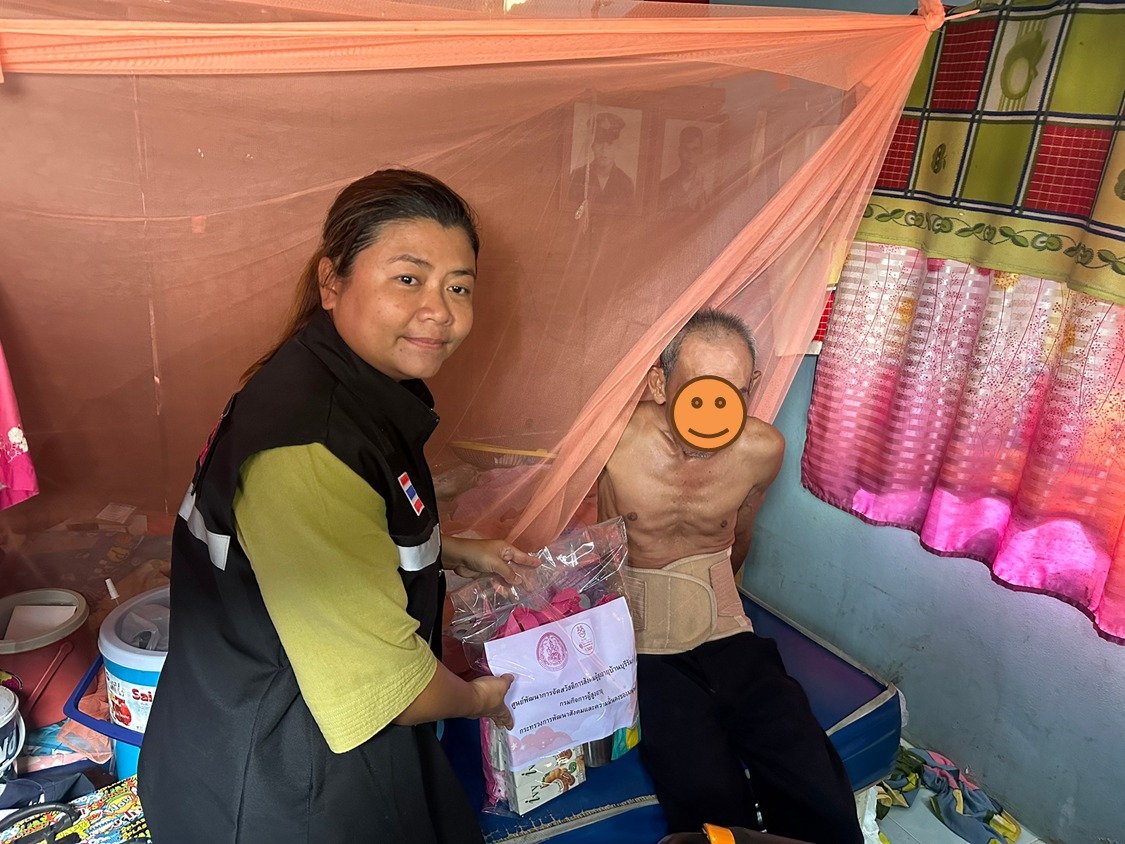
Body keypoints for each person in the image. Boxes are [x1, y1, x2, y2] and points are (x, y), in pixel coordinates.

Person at [138, 169, 538, 843]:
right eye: (408, 279)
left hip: (256, 729)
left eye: (459, 287)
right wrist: (478, 699)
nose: (440, 311)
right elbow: (395, 690)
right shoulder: (308, 442)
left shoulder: (341, 384)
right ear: (332, 282)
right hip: (286, 778)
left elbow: (341, 530)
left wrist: (458, 551)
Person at [598, 309, 862, 843]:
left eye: (733, 394)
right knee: (708, 802)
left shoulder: (763, 451)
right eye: (698, 391)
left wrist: (717, 608)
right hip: (644, 646)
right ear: (660, 383)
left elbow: (739, 537)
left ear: (752, 387)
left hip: (728, 633)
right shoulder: (610, 439)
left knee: (817, 786)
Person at [568, 111, 636, 210]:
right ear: (592, 146)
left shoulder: (626, 183)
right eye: (599, 143)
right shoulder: (577, 177)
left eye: (610, 144)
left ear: (617, 146)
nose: (604, 150)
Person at [659, 125, 709, 212]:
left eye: (695, 150)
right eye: (686, 150)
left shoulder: (708, 187)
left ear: (701, 151)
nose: (690, 156)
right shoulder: (664, 186)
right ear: (679, 151)